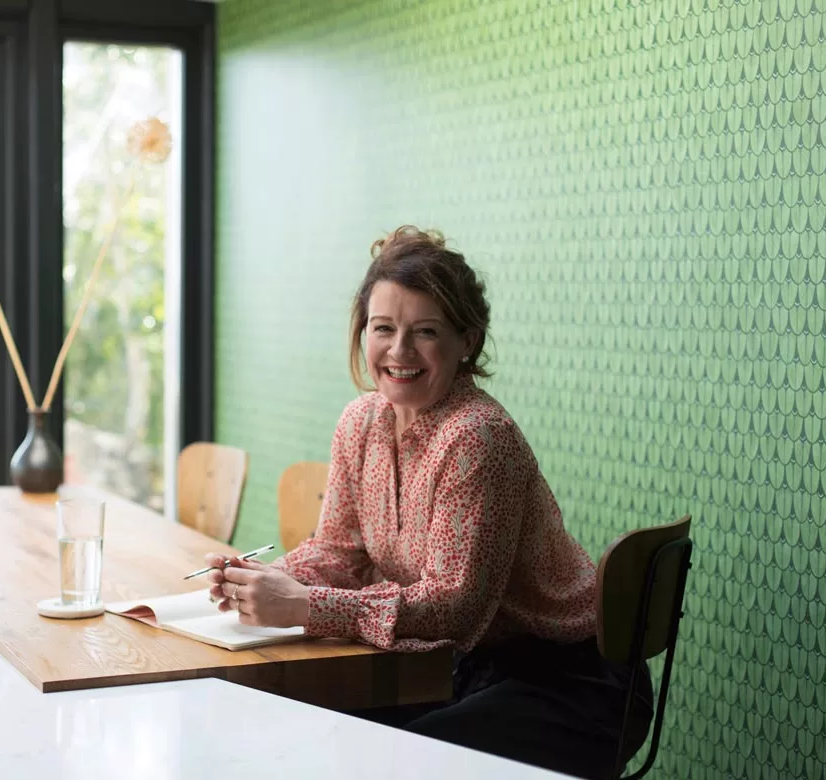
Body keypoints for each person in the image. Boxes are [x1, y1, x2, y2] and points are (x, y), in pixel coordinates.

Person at [205, 226, 653, 778]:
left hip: (569, 682)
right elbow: (340, 553)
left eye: (426, 332)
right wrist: (259, 579)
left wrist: (301, 604)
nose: (399, 351)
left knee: (373, 761)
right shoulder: (360, 422)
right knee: (306, 739)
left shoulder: (478, 437)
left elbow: (453, 609)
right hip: (463, 670)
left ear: (468, 340)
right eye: (383, 328)